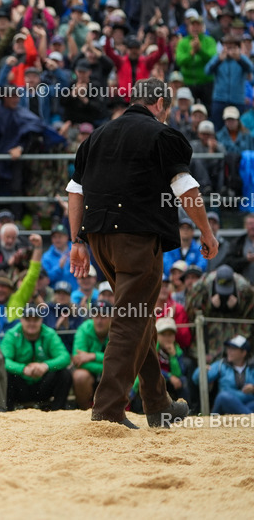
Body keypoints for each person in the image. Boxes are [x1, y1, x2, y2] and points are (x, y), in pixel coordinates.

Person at [68, 78, 218, 429]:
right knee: (130, 321)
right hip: (136, 240)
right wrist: (206, 232)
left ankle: (158, 403)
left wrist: (77, 240)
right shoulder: (162, 135)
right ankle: (107, 409)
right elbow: (184, 185)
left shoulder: (97, 136)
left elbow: (75, 190)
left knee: (139, 316)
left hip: (100, 240)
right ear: (162, 103)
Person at [1, 305, 72, 411]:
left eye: (35, 320)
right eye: (28, 319)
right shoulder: (12, 334)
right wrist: (23, 369)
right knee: (5, 374)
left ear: (41, 320)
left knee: (64, 374)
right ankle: (7, 411)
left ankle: (58, 411)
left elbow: (65, 357)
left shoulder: (49, 334)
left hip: (43, 385)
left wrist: (45, 366)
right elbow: (3, 361)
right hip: (20, 385)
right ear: (21, 320)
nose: (32, 323)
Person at [70, 301, 113, 410]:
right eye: (96, 316)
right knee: (80, 376)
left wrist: (93, 356)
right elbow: (78, 361)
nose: (99, 321)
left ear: (111, 318)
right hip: (95, 374)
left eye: (103, 316)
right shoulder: (83, 329)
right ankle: (85, 412)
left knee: (122, 373)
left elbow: (121, 361)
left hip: (113, 375)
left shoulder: (118, 331)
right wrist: (107, 365)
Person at [197, 335, 254, 415]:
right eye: (228, 348)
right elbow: (197, 379)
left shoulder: (252, 366)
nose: (229, 351)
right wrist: (201, 370)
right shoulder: (221, 365)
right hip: (226, 405)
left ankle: (246, 417)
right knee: (223, 397)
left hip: (248, 405)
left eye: (233, 349)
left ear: (243, 353)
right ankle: (249, 418)